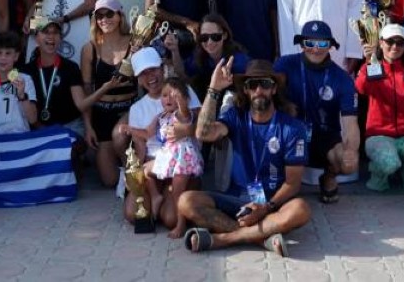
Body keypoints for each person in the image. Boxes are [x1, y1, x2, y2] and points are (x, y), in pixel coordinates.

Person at [181, 59, 311, 256]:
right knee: (186, 201)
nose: (259, 90)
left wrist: (265, 207)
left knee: (301, 209)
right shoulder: (235, 116)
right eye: (252, 85)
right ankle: (261, 238)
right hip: (236, 199)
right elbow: (203, 134)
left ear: (274, 89)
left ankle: (223, 239)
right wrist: (213, 90)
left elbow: (292, 184)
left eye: (265, 84)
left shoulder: (293, 128)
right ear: (246, 90)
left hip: (272, 202)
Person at [274, 20, 360, 204]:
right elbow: (268, 93)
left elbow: (351, 123)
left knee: (349, 163)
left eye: (322, 43)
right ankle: (280, 185)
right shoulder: (284, 65)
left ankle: (328, 176)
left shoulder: (342, 79)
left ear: (330, 46)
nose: (315, 49)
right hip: (290, 133)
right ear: (301, 44)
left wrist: (351, 150)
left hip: (325, 136)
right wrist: (285, 104)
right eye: (310, 43)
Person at [125, 47, 201, 232]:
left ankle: (173, 203)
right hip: (155, 164)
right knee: (134, 214)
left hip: (182, 163)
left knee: (171, 219)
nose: (150, 76)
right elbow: (141, 145)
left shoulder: (182, 90)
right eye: (143, 73)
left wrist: (186, 130)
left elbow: (200, 124)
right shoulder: (137, 108)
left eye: (153, 69)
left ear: (162, 68)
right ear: (138, 79)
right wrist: (135, 176)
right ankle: (155, 197)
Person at [354, 23, 404, 192]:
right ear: (381, 43)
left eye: (400, 42)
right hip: (379, 135)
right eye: (390, 41)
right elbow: (360, 89)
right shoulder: (373, 67)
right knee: (389, 163)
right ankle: (378, 178)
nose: (394, 47)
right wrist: (368, 62)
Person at [78, 0, 135, 187]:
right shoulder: (90, 49)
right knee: (109, 180)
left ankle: (134, 177)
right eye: (99, 16)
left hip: (128, 110)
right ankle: (127, 170)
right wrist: (88, 127)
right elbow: (87, 92)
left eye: (109, 14)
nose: (104, 19)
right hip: (102, 113)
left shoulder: (134, 44)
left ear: (119, 16)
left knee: (120, 136)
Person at [150, 77, 203, 239]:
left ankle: (181, 223)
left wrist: (181, 103)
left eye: (174, 96)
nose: (169, 99)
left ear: (185, 99)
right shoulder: (162, 116)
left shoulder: (181, 114)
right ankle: (156, 196)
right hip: (168, 157)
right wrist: (130, 129)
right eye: (165, 95)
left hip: (183, 158)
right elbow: (147, 133)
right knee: (144, 170)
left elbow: (185, 113)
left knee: (177, 191)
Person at [20, 20, 89, 137]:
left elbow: (81, 104)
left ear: (60, 38)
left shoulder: (71, 67)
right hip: (38, 128)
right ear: (36, 38)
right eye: (46, 32)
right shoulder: (26, 71)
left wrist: (103, 90)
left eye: (55, 32)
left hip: (69, 126)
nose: (51, 36)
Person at [184, 15, 250, 97]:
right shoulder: (199, 56)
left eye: (215, 37)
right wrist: (174, 50)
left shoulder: (239, 61)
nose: (210, 42)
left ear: (225, 35)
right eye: (204, 37)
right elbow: (183, 74)